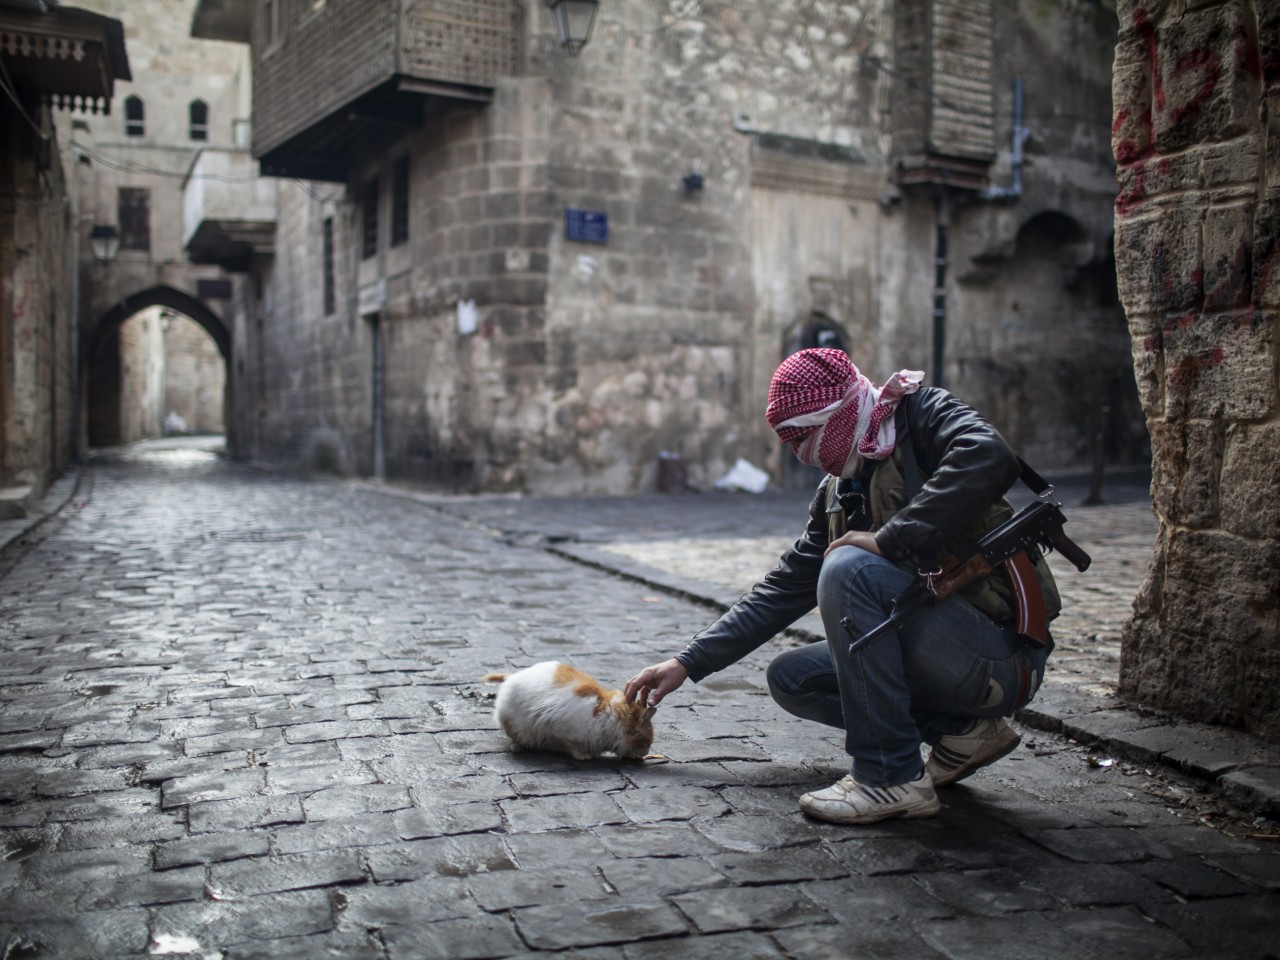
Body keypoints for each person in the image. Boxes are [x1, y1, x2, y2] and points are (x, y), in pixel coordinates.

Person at [624, 348, 1060, 825]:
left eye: (802, 436)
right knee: (794, 678)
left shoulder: (924, 413)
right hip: (940, 657)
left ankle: (889, 776)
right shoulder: (840, 490)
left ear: (837, 412)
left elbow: (990, 454)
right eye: (788, 441)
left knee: (848, 565)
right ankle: (965, 729)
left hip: (1000, 657)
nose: (798, 453)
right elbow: (785, 585)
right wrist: (687, 661)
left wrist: (890, 539)